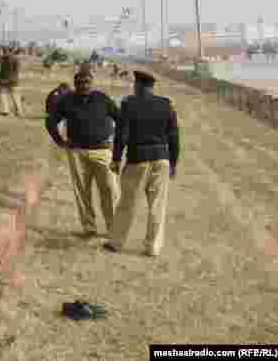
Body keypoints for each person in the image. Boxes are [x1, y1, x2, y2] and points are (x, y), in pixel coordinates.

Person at [104, 71, 180, 257]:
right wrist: (173, 163)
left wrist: (116, 158)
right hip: (162, 158)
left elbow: (122, 135)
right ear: (152, 87)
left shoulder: (129, 104)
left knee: (128, 204)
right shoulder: (166, 105)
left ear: (137, 86)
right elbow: (174, 137)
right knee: (157, 206)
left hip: (138, 159)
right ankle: (153, 247)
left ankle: (116, 243)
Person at [45, 70, 123, 237]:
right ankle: (89, 228)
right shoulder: (66, 101)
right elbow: (50, 121)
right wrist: (60, 141)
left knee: (110, 190)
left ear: (92, 83)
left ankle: (114, 229)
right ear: (75, 85)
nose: (84, 85)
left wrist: (115, 142)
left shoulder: (102, 98)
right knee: (82, 192)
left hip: (103, 151)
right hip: (77, 153)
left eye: (87, 82)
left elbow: (120, 119)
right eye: (80, 83)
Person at [0, 48, 23, 116]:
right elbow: (17, 70)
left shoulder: (2, 59)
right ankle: (18, 111)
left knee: (4, 95)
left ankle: (6, 111)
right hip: (13, 80)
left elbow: (0, 70)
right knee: (15, 96)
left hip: (4, 80)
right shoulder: (15, 59)